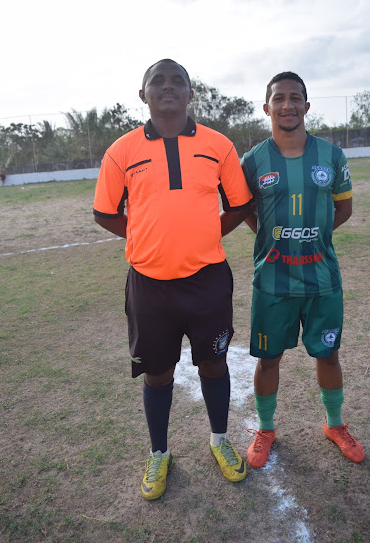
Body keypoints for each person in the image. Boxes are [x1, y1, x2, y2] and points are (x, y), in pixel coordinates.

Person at [93, 59, 253, 500]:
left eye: (177, 80)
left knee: (214, 363)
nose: (168, 87)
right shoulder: (121, 151)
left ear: (190, 93)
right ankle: (159, 452)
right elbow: (105, 213)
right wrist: (145, 238)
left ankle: (220, 440)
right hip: (150, 286)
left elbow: (239, 204)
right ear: (142, 94)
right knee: (157, 373)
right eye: (157, 81)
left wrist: (204, 236)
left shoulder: (218, 145)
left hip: (207, 281)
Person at [241, 71, 364, 468]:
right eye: (279, 98)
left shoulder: (331, 156)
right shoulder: (252, 161)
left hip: (322, 277)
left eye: (295, 97)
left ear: (306, 106)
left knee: (328, 355)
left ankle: (334, 424)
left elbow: (343, 208)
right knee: (268, 359)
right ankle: (265, 429)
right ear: (267, 108)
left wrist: (314, 236)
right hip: (273, 279)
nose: (287, 104)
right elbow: (246, 212)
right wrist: (275, 239)